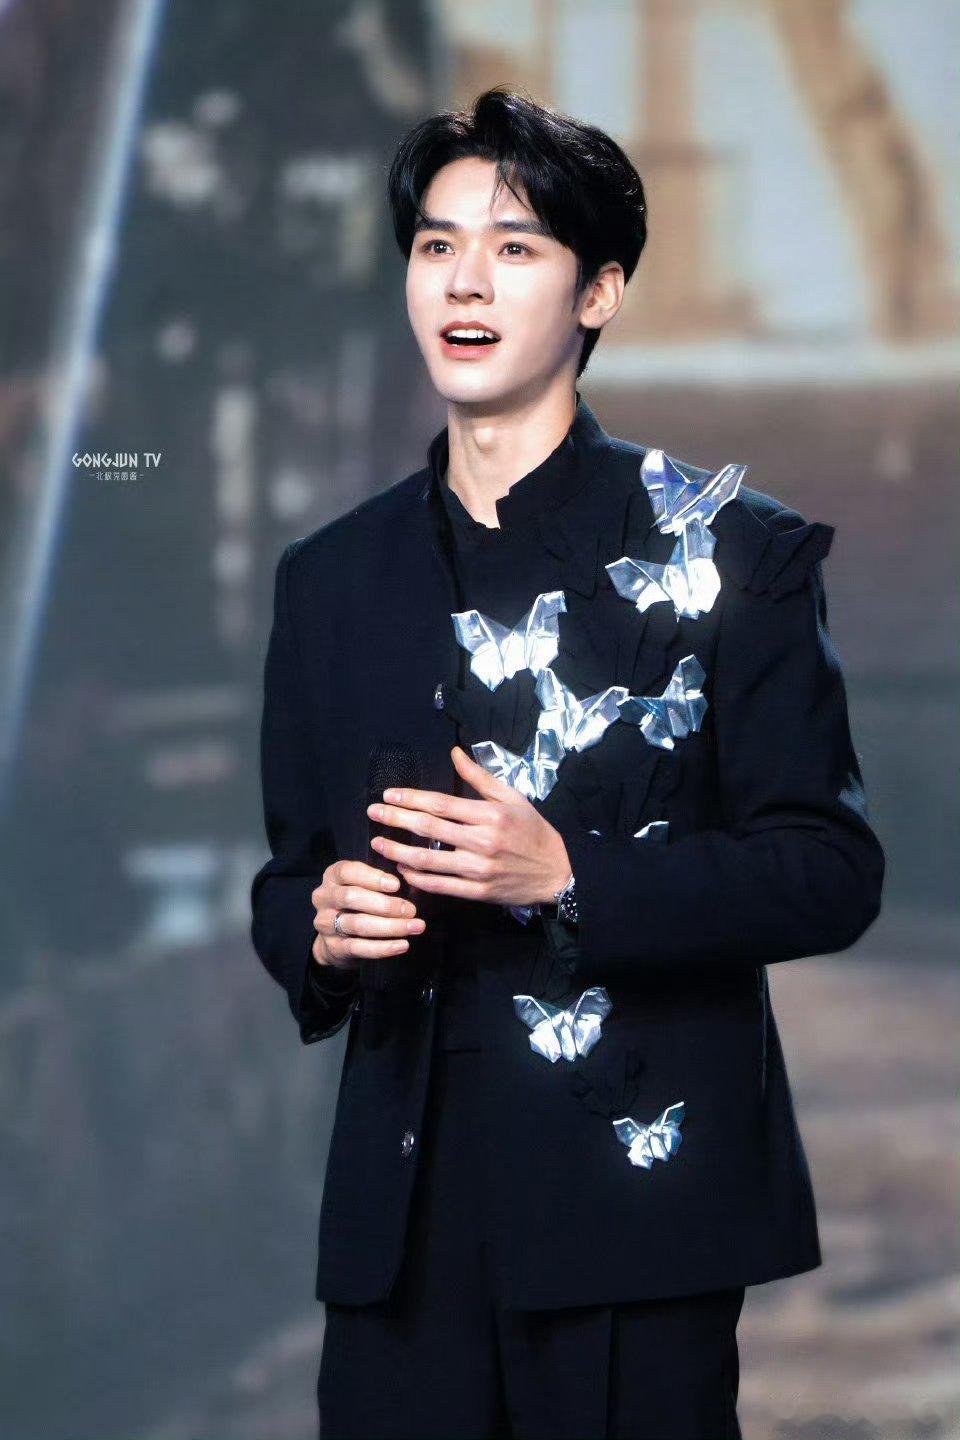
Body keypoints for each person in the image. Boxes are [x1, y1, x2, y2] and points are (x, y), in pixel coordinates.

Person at [250, 86, 885, 1439]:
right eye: (436, 245)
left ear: (598, 292)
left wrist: (568, 876)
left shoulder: (734, 551)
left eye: (515, 247)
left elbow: (829, 868)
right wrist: (322, 927)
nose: (464, 282)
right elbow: (288, 873)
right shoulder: (331, 580)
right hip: (402, 1226)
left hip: (630, 1217)